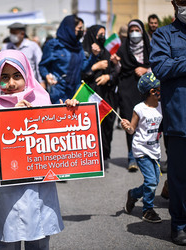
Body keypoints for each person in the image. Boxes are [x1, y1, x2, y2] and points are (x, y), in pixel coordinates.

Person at [0, 50, 76, 249]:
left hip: (40, 185)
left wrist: (70, 112)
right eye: (5, 77)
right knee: (10, 238)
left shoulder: (42, 100)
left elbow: (60, 136)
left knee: (39, 239)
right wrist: (13, 118)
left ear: (27, 74)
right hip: (11, 186)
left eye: (17, 76)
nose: (11, 83)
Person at [150, 0, 186, 245]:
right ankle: (180, 225)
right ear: (175, 4)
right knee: (179, 177)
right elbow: (161, 67)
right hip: (179, 121)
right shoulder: (164, 35)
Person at [121, 72, 162, 223]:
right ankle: (148, 210)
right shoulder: (139, 109)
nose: (161, 89)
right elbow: (132, 129)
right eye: (159, 87)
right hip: (141, 150)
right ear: (152, 91)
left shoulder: (161, 107)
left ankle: (133, 194)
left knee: (154, 181)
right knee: (151, 181)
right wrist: (126, 126)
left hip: (155, 151)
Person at [116, 19, 151, 172]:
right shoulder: (122, 50)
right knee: (129, 122)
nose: (134, 33)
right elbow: (116, 71)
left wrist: (146, 70)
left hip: (145, 91)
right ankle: (132, 157)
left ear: (142, 31)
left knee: (145, 122)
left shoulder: (150, 49)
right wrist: (115, 63)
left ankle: (145, 155)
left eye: (137, 29)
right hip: (127, 90)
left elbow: (158, 65)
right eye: (131, 30)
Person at [39, 15, 100, 103]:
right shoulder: (54, 45)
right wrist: (46, 75)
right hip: (58, 93)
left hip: (75, 93)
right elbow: (43, 66)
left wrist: (93, 56)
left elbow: (83, 68)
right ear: (70, 28)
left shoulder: (78, 46)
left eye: (82, 28)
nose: (81, 31)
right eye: (79, 28)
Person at [82, 25, 119, 161]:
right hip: (90, 93)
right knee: (91, 126)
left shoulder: (107, 52)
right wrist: (95, 66)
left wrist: (108, 76)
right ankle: (92, 157)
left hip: (107, 94)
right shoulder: (84, 51)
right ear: (92, 35)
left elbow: (116, 72)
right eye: (100, 34)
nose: (102, 37)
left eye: (104, 34)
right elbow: (80, 73)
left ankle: (104, 154)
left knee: (107, 124)